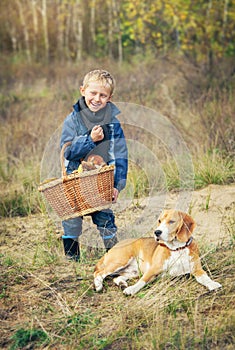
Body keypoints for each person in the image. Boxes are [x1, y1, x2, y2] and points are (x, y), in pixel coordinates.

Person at [60, 69, 128, 261]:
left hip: (101, 180)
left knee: (105, 217)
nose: (97, 98)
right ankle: (72, 260)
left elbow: (120, 156)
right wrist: (90, 140)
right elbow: (67, 151)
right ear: (83, 91)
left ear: (109, 97)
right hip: (75, 178)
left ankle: (113, 259)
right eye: (93, 93)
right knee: (72, 218)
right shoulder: (72, 120)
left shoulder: (113, 124)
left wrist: (116, 185)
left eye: (103, 95)